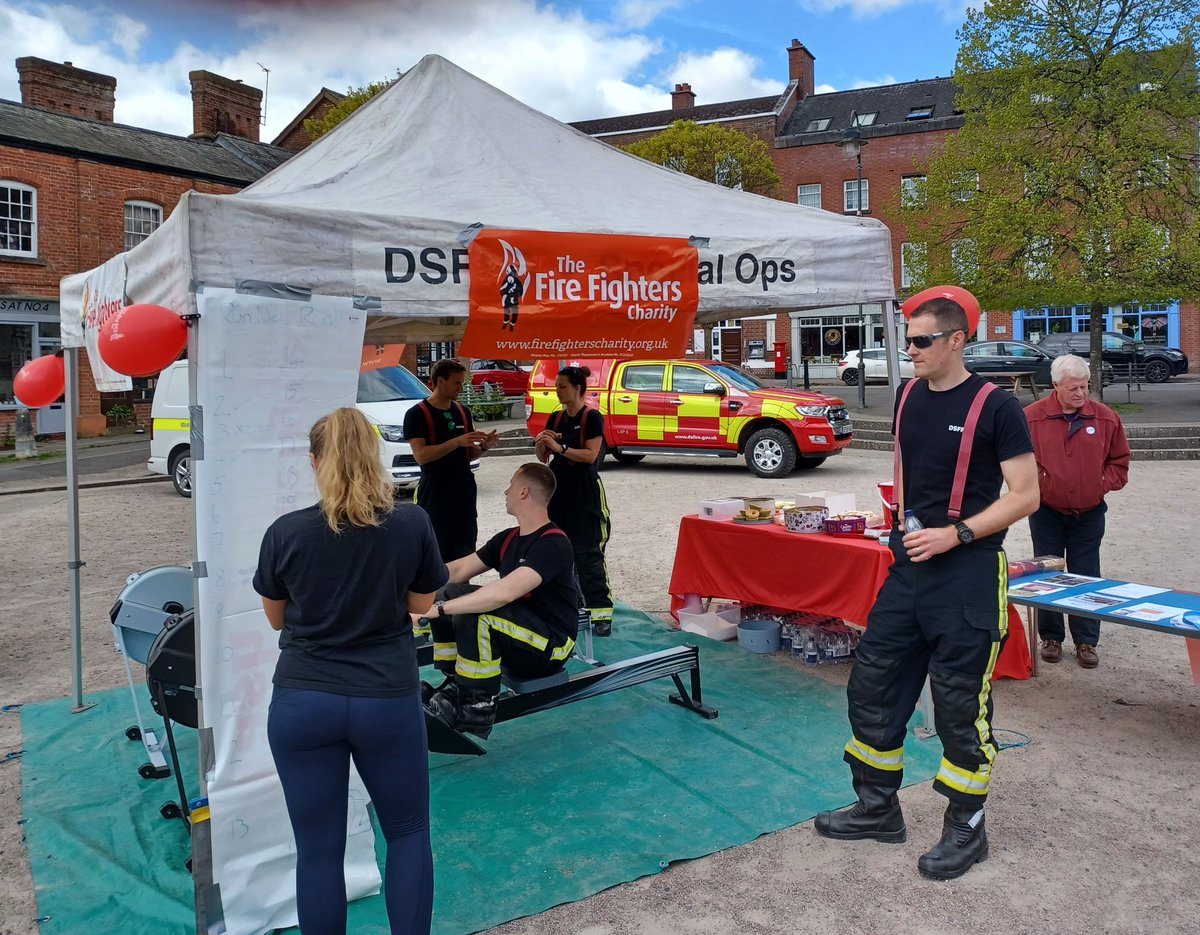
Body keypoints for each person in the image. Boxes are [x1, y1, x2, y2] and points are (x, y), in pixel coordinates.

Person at [814, 295, 1040, 881]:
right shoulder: (908, 395)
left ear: (956, 340)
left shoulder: (998, 406)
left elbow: (1025, 495)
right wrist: (902, 524)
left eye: (920, 342)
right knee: (874, 684)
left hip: (967, 573)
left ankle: (965, 829)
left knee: (961, 707)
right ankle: (877, 807)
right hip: (909, 567)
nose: (908, 351)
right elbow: (911, 471)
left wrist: (954, 533)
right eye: (906, 341)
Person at [253, 407, 448, 935]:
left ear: (316, 462)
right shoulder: (411, 522)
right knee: (407, 834)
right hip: (384, 698)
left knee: (317, 852)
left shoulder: (286, 532)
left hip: (302, 701)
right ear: (375, 458)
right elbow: (421, 601)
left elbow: (276, 618)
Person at [422, 462, 580, 738]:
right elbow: (457, 571)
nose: (505, 491)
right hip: (520, 635)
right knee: (448, 591)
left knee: (479, 609)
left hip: (551, 646)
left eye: (510, 485)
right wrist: (412, 583)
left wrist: (437, 611)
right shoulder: (508, 539)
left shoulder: (553, 543)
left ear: (523, 492)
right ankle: (455, 685)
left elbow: (504, 593)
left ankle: (477, 709)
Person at [1025, 354, 1130, 669]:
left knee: (1086, 575)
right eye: (1073, 388)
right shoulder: (1030, 418)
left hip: (1089, 511)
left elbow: (1120, 463)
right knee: (1047, 573)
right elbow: (1015, 460)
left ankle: (1086, 641)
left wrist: (1099, 483)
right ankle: (1051, 637)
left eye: (1085, 387)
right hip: (1046, 510)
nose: (1081, 394)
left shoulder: (1106, 418)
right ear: (1055, 386)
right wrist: (1039, 483)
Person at [534, 364, 615, 636]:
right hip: (557, 492)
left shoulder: (592, 417)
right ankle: (569, 606)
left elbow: (591, 455)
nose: (557, 392)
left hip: (584, 492)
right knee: (557, 550)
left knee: (587, 552)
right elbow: (542, 457)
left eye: (562, 387)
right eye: (556, 387)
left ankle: (601, 613)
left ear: (577, 388)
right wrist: (542, 442)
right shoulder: (555, 418)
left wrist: (561, 448)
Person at [403, 358, 500, 562]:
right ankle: (438, 594)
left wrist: (484, 446)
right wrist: (456, 441)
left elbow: (468, 454)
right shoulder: (416, 414)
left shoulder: (463, 412)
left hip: (464, 492)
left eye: (462, 382)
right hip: (435, 493)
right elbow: (421, 456)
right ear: (440, 381)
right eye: (456, 383)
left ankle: (461, 591)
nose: (461, 387)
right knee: (435, 553)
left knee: (465, 552)